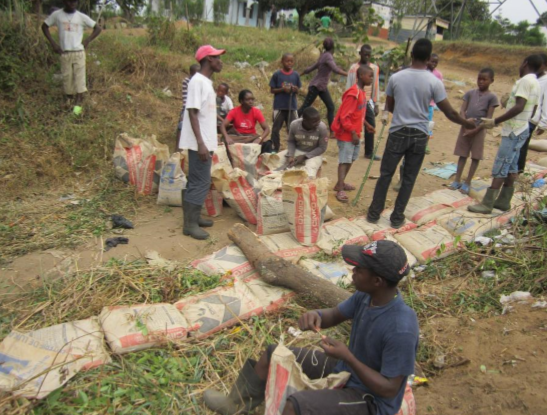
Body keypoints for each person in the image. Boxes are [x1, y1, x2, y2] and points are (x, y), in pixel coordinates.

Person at [203, 240, 419, 415]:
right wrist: (315, 316)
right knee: (273, 353)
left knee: (296, 405)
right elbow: (334, 315)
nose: (353, 270)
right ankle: (236, 404)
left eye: (359, 269)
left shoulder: (401, 328)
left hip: (372, 401)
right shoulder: (365, 296)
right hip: (348, 370)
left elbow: (390, 389)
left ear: (377, 281)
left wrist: (349, 357)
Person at [367, 39, 475, 228]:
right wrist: (466, 122)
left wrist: (404, 109)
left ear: (412, 55)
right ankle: (397, 217)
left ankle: (374, 213)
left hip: (398, 132)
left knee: (386, 174)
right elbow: (449, 112)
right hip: (419, 135)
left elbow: (390, 105)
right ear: (428, 59)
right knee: (408, 178)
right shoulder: (434, 81)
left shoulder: (396, 77)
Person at [469, 55, 542, 214]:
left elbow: (519, 107)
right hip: (522, 128)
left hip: (513, 131)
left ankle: (487, 203)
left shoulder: (525, 81)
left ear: (525, 63)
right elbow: (533, 109)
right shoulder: (536, 83)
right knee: (512, 166)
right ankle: (503, 201)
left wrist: (495, 121)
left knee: (501, 164)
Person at [179, 45, 225, 240]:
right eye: (217, 58)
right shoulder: (197, 81)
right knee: (200, 182)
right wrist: (200, 143)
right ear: (208, 60)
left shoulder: (205, 82)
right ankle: (189, 225)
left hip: (204, 141)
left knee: (198, 181)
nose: (220, 61)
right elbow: (192, 111)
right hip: (200, 143)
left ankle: (194, 218)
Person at [42, 0, 102, 115]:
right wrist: (53, 44)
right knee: (67, 79)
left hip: (79, 52)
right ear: (64, 2)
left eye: (75, 1)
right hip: (65, 53)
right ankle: (69, 102)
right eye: (69, 1)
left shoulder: (81, 17)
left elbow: (97, 28)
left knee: (80, 80)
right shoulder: (57, 15)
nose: (72, 3)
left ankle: (78, 108)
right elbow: (44, 26)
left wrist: (87, 40)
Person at [449, 68, 499, 194]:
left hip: (479, 130)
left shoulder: (492, 97)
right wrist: (465, 123)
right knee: (462, 154)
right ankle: (457, 180)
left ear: (491, 81)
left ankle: (467, 182)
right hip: (465, 127)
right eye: (479, 79)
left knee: (475, 156)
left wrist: (475, 130)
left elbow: (488, 118)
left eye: (484, 79)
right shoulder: (470, 93)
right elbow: (462, 110)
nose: (481, 81)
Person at [332, 65, 375, 203]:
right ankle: (339, 189)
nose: (372, 79)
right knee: (344, 160)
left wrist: (367, 126)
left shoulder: (361, 93)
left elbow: (358, 115)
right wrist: (352, 133)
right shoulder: (353, 94)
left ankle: (341, 182)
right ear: (361, 76)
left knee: (351, 159)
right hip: (347, 135)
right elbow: (344, 117)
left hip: (355, 134)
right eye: (370, 76)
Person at [299, 38, 348, 131]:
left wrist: (299, 75)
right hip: (317, 86)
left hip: (322, 87)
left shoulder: (323, 55)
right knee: (305, 106)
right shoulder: (328, 56)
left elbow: (309, 69)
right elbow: (335, 69)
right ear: (333, 47)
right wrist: (349, 74)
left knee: (330, 106)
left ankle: (332, 130)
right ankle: (291, 123)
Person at [347, 44, 381, 160]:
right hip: (355, 100)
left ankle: (369, 152)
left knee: (370, 124)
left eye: (369, 55)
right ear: (360, 54)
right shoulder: (354, 68)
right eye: (365, 54)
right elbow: (349, 85)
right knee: (353, 124)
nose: (367, 57)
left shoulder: (374, 68)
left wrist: (376, 104)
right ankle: (349, 148)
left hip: (367, 101)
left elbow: (376, 86)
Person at [278, 107, 328, 178]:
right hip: (297, 151)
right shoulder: (294, 125)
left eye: (318, 121)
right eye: (314, 122)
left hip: (314, 154)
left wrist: (305, 156)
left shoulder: (322, 128)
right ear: (305, 120)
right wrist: (291, 155)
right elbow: (291, 141)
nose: (317, 124)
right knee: (276, 159)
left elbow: (322, 148)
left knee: (309, 171)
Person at [518, 53, 547, 172]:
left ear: (544, 66)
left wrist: (543, 123)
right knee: (517, 146)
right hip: (522, 116)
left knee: (522, 147)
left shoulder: (545, 81)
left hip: (532, 119)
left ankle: (518, 171)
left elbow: (546, 102)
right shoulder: (531, 78)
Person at [220, 89, 272, 154]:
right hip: (238, 137)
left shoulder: (256, 112)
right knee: (225, 141)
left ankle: (262, 162)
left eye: (252, 99)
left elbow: (267, 129)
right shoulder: (234, 111)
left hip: (251, 136)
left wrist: (260, 138)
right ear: (241, 101)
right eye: (248, 100)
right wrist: (227, 137)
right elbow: (222, 126)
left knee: (267, 143)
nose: (251, 102)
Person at [270, 53, 302, 152]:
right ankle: (275, 147)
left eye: (291, 61)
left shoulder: (295, 75)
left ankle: (294, 149)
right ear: (282, 62)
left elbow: (298, 89)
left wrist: (295, 89)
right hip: (279, 106)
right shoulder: (277, 74)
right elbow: (272, 90)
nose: (289, 63)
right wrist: (282, 89)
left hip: (291, 106)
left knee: (294, 129)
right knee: (276, 129)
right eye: (287, 61)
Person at [177, 63, 200, 148]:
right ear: (190, 74)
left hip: (198, 109)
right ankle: (177, 150)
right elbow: (186, 100)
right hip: (188, 108)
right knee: (181, 125)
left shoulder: (201, 83)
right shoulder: (186, 81)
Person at [427, 53, 443, 139]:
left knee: (428, 124)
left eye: (436, 62)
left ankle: (425, 145)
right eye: (432, 61)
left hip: (430, 104)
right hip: (421, 103)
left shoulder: (438, 74)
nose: (433, 64)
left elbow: (439, 88)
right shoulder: (423, 72)